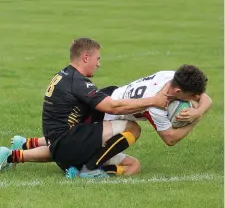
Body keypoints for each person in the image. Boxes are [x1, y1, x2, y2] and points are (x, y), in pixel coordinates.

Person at [0, 37, 168, 178]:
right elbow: (113, 107)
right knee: (132, 128)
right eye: (98, 59)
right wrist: (153, 100)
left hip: (60, 146)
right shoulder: (78, 82)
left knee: (133, 166)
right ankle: (90, 169)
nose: (98, 64)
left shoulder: (63, 74)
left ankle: (81, 169)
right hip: (67, 145)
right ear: (86, 57)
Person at [5, 65, 212, 177]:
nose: (196, 99)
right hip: (106, 111)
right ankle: (90, 168)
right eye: (192, 96)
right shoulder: (156, 106)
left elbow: (205, 97)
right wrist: (195, 120)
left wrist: (197, 111)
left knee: (68, 143)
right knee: (70, 145)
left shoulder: (171, 76)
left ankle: (24, 145)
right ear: (177, 91)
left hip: (111, 97)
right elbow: (170, 139)